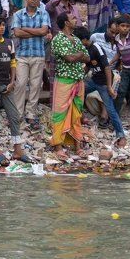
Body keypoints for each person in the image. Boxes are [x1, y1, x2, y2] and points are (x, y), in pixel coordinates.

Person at [0, 15, 33, 165]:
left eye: (3, 25)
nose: (1, 27)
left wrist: (12, 81)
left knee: (14, 116)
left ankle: (18, 149)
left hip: (7, 86)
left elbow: (13, 63)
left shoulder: (9, 43)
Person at [9, 0, 51, 130]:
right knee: (20, 84)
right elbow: (17, 33)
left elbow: (44, 31)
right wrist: (37, 32)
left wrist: (25, 29)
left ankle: (31, 114)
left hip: (38, 54)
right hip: (22, 55)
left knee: (35, 86)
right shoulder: (18, 14)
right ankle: (18, 114)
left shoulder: (43, 13)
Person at [49, 12, 89, 157]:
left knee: (76, 113)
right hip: (64, 80)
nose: (75, 19)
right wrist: (79, 54)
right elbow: (71, 58)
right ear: (66, 22)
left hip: (78, 81)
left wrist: (77, 55)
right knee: (59, 114)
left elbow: (87, 58)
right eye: (73, 18)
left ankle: (77, 145)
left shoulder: (77, 39)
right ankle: (57, 146)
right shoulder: (58, 39)